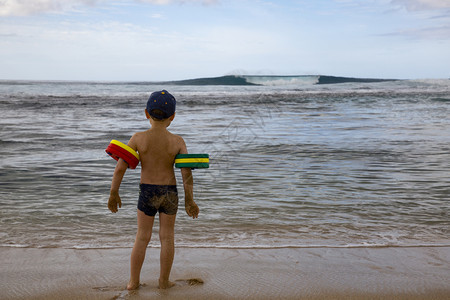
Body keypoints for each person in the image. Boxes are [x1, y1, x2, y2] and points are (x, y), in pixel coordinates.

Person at [108, 90, 199, 290]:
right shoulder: (178, 141)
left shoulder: (138, 138)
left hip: (147, 191)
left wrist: (114, 193)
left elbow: (120, 167)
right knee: (167, 237)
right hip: (170, 193)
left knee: (142, 237)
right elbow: (186, 174)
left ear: (146, 113)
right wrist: (189, 200)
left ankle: (133, 282)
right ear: (172, 117)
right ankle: (164, 281)